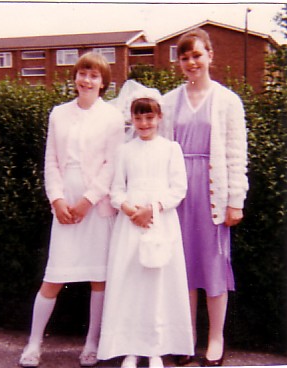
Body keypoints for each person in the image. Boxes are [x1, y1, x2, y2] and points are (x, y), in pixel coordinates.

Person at [19, 52, 125, 368]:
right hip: (65, 203)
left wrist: (87, 200)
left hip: (97, 206)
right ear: (75, 77)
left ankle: (92, 344)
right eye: (82, 74)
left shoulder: (113, 117)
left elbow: (112, 164)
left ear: (103, 83)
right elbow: (51, 161)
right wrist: (58, 200)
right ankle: (34, 343)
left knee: (99, 278)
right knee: (53, 277)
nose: (87, 80)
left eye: (94, 76)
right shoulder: (58, 114)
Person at [162, 28, 249, 366]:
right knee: (181, 268)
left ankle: (216, 339)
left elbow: (236, 154)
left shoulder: (228, 101)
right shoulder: (168, 101)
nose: (191, 63)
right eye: (184, 58)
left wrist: (235, 200)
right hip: (178, 194)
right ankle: (187, 338)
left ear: (210, 56)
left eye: (197, 55)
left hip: (213, 192)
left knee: (212, 267)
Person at [97, 86, 194, 368]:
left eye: (149, 118)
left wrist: (152, 209)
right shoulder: (125, 151)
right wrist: (129, 209)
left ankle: (155, 348)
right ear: (132, 120)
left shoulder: (171, 149)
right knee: (131, 285)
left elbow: (179, 189)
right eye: (139, 119)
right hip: (130, 226)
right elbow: (116, 190)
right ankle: (130, 347)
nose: (144, 124)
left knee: (158, 286)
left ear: (159, 117)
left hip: (160, 223)